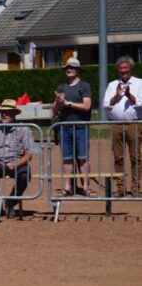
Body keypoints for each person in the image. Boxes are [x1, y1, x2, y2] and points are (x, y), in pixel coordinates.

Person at [0, 99, 32, 219]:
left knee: (25, 175)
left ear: (14, 114)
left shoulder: (24, 129)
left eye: (7, 112)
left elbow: (29, 154)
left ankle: (10, 203)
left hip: (18, 161)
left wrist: (16, 164)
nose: (4, 114)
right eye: (2, 112)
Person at [103, 56, 142, 197]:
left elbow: (140, 103)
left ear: (130, 69)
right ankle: (120, 188)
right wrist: (117, 96)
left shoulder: (139, 83)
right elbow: (107, 105)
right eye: (120, 68)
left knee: (135, 157)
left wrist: (129, 95)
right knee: (118, 157)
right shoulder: (112, 84)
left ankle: (136, 188)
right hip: (116, 125)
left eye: (125, 68)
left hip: (134, 124)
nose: (123, 70)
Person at [53, 57, 92, 196]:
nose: (68, 69)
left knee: (83, 157)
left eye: (71, 67)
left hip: (81, 127)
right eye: (66, 68)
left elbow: (87, 106)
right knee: (67, 158)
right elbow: (55, 110)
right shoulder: (61, 87)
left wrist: (68, 103)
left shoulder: (84, 86)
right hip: (65, 127)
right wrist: (58, 102)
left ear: (78, 70)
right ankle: (67, 187)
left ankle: (86, 187)